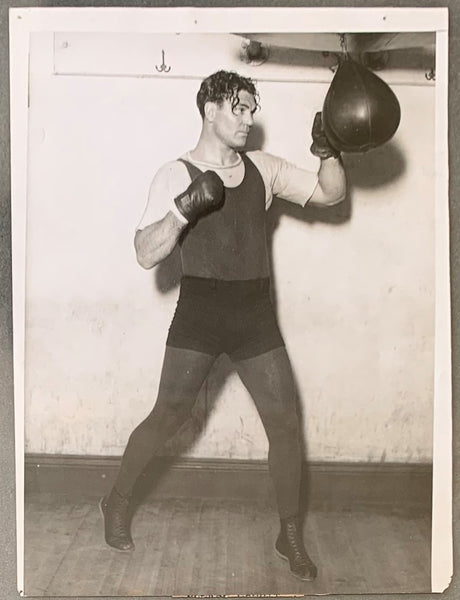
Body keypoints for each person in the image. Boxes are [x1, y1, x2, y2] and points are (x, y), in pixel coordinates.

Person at [100, 70, 346, 582]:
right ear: (210, 110)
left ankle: (289, 532)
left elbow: (329, 196)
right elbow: (146, 254)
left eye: (252, 110)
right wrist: (184, 207)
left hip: (254, 314)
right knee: (168, 415)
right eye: (240, 108)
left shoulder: (264, 169)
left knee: (284, 421)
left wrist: (329, 149)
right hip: (201, 312)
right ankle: (117, 499)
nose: (249, 119)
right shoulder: (175, 172)